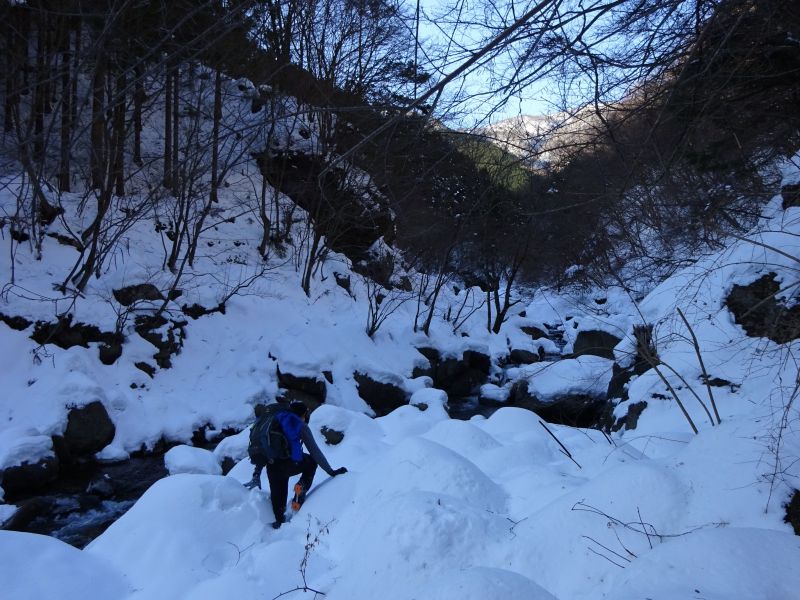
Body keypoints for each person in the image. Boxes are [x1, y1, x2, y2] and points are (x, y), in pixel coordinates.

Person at [246, 400, 347, 529]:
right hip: (290, 464)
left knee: (278, 509)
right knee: (311, 462)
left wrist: (256, 474)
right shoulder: (298, 423)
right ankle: (301, 486)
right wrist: (331, 471)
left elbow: (262, 450)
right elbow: (315, 451)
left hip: (272, 468)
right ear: (303, 414)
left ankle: (278, 526)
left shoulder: (273, 421)